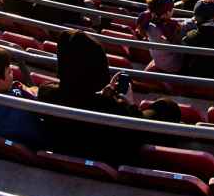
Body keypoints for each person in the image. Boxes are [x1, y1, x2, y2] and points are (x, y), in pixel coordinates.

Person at [37, 31, 148, 164]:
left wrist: (102, 95)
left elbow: (77, 96)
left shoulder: (46, 93)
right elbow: (139, 137)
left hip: (67, 149)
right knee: (166, 107)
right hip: (104, 159)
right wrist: (131, 105)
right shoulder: (114, 110)